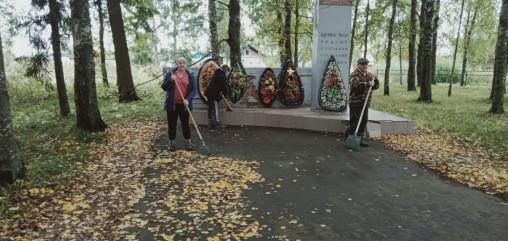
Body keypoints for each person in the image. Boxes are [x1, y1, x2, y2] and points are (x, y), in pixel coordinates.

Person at [161, 57, 197, 151]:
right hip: (172, 105)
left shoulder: (190, 75)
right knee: (172, 125)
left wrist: (188, 99)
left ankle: (188, 143)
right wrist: (170, 81)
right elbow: (164, 87)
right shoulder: (171, 74)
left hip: (184, 104)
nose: (182, 64)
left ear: (186, 64)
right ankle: (171, 144)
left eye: (184, 63)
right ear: (176, 64)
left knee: (185, 124)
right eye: (180, 63)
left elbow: (193, 90)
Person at [345, 57, 380, 147]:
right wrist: (368, 84)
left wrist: (375, 80)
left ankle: (359, 140)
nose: (365, 66)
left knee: (363, 121)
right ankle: (348, 139)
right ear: (358, 65)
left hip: (365, 103)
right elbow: (355, 85)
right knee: (355, 121)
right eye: (362, 64)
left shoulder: (369, 75)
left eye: (366, 64)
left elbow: (375, 87)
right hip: (355, 102)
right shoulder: (354, 75)